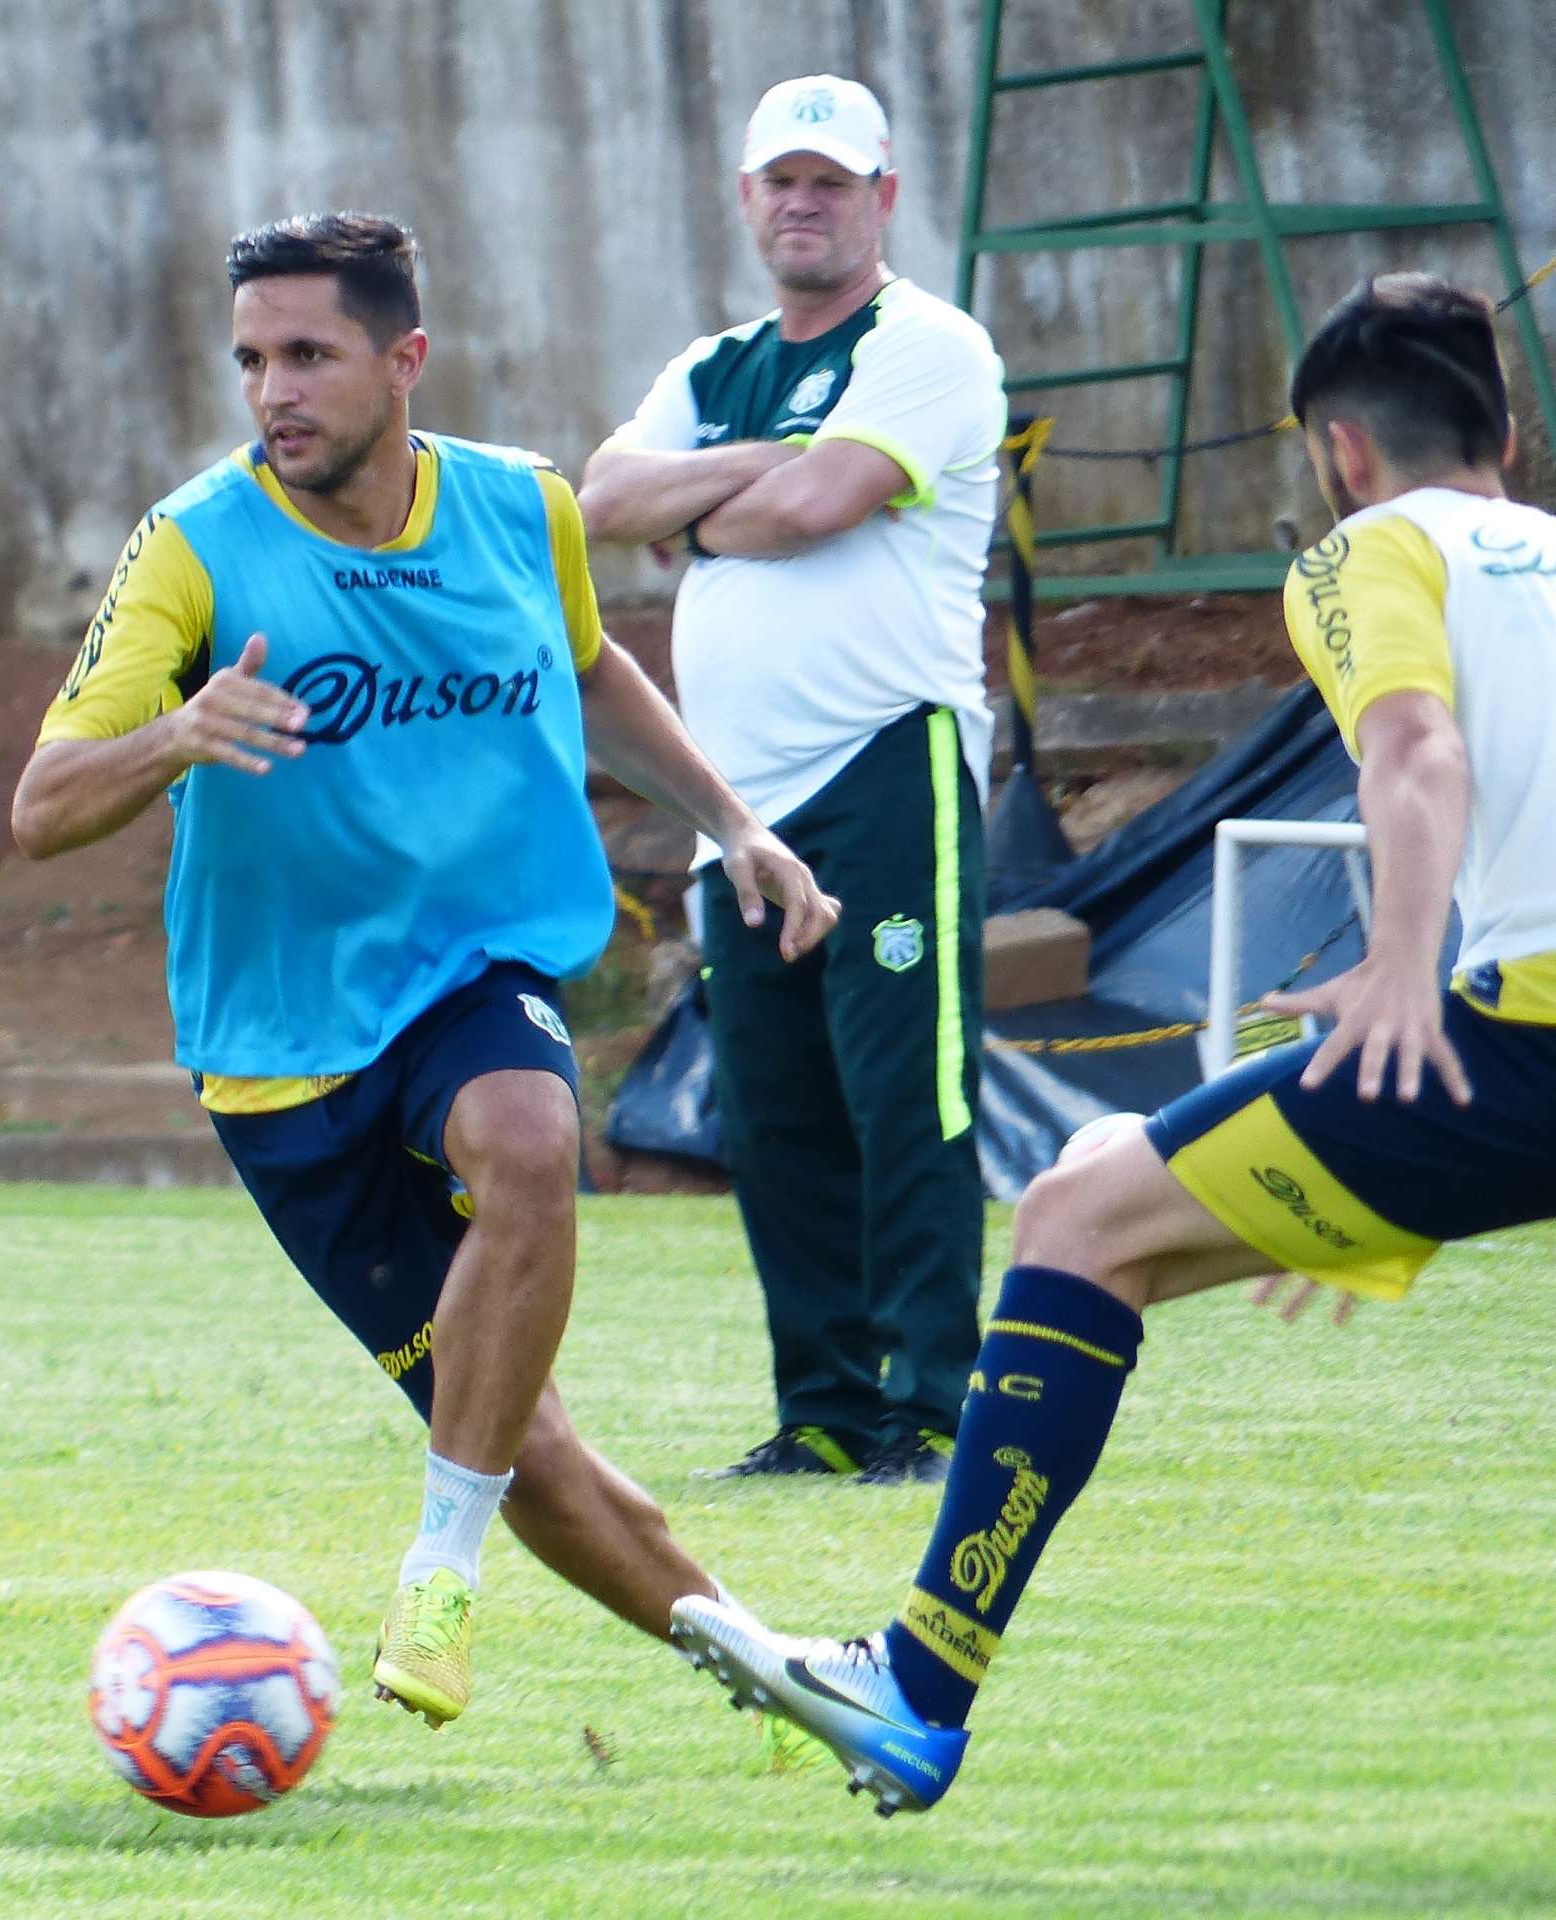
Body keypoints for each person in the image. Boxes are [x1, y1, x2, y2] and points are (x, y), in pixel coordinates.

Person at [670, 273, 1556, 1813]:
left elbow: (1416, 749)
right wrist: (1378, 1150)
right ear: (1503, 429)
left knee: (1079, 1215)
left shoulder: (1369, 551)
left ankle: (916, 1685)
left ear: (1341, 455)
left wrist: (1399, 975)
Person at [10, 212, 838, 1732]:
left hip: (471, 972)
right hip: (281, 1052)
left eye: (310, 355)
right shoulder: (194, 544)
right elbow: (42, 805)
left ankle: (440, 1558)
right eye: (253, 360)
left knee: (530, 1134)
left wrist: (735, 822)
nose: (276, 392)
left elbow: (586, 665)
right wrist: (176, 735)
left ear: (406, 361)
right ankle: (790, 1683)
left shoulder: (527, 509)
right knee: (536, 1449)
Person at [577, 75, 1006, 1486]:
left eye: (835, 178)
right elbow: (597, 506)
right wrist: (755, 469)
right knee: (774, 1114)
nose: (806, 200)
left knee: (906, 1098)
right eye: (783, 179)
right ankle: (824, 1410)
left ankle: (931, 1409)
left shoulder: (932, 344)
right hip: (737, 808)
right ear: (750, 199)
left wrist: (702, 502)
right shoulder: (714, 363)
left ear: (884, 198)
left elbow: (826, 504)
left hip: (891, 760)